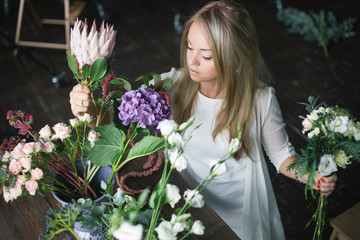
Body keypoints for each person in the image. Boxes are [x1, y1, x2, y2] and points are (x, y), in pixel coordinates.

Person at [69, 1, 337, 239]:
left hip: (240, 213)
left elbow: (281, 156)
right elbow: (113, 121)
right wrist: (89, 109)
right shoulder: (170, 85)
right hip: (180, 200)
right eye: (189, 47)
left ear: (234, 59)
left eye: (206, 55)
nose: (192, 61)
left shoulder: (260, 99)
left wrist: (310, 174)